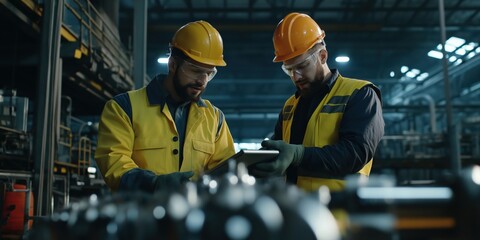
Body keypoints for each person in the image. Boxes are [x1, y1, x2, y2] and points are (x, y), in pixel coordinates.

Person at [95, 20, 236, 192]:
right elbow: (113, 163)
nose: (202, 81)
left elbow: (225, 169)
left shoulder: (215, 119)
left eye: (209, 73)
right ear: (173, 65)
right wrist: (153, 184)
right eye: (195, 70)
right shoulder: (123, 108)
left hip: (192, 216)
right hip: (140, 215)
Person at [250, 12, 384, 192]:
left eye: (301, 66)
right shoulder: (290, 105)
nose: (295, 76)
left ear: (322, 56)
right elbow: (282, 151)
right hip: (296, 210)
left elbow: (355, 154)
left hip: (340, 211)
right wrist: (259, 160)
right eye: (288, 70)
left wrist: (299, 155)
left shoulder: (360, 94)